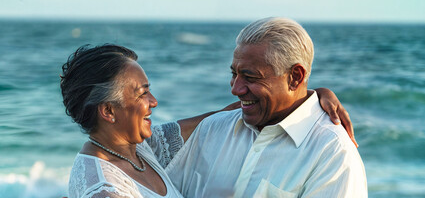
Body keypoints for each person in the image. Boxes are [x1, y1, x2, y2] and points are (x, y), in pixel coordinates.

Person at [61, 44, 355, 197]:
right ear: (109, 112)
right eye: (143, 93)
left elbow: (231, 111)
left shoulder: (143, 150)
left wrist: (306, 94)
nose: (154, 102)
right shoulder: (104, 189)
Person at [165, 17, 368, 197]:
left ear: (295, 77)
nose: (236, 89)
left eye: (250, 77)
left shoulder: (332, 153)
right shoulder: (211, 129)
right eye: (234, 74)